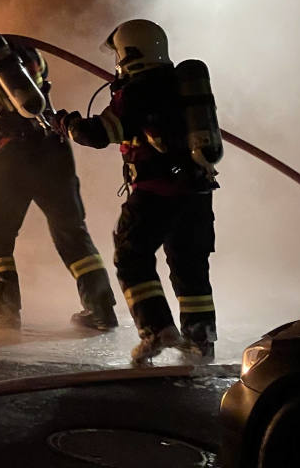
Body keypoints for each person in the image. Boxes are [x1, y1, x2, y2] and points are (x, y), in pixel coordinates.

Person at [0, 3, 118, 331]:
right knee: (71, 231)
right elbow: (43, 74)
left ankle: (2, 310)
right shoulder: (21, 50)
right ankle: (102, 310)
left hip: (11, 158)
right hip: (54, 149)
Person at [54, 19, 218, 364]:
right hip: (197, 193)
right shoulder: (181, 85)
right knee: (190, 266)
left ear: (128, 53)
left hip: (156, 193)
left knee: (131, 258)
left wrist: (68, 124)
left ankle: (157, 331)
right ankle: (201, 340)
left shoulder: (139, 91)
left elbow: (99, 133)